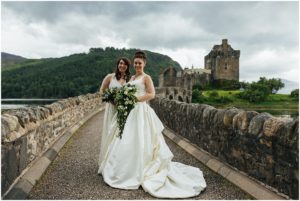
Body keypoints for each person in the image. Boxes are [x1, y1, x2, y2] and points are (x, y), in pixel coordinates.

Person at [99, 51, 206, 198]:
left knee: (141, 139)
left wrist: (135, 100)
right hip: (129, 111)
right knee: (125, 138)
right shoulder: (132, 77)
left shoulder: (146, 77)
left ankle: (140, 168)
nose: (137, 65)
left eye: (139, 63)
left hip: (140, 110)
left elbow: (152, 94)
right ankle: (123, 168)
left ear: (144, 64)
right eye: (135, 62)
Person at [97, 57, 131, 171]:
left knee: (121, 135)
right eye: (121, 63)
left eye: (125, 64)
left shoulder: (130, 79)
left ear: (127, 67)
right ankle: (107, 162)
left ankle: (118, 162)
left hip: (123, 110)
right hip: (111, 109)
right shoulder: (110, 77)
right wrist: (109, 99)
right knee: (110, 132)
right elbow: (102, 90)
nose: (122, 66)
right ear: (118, 64)